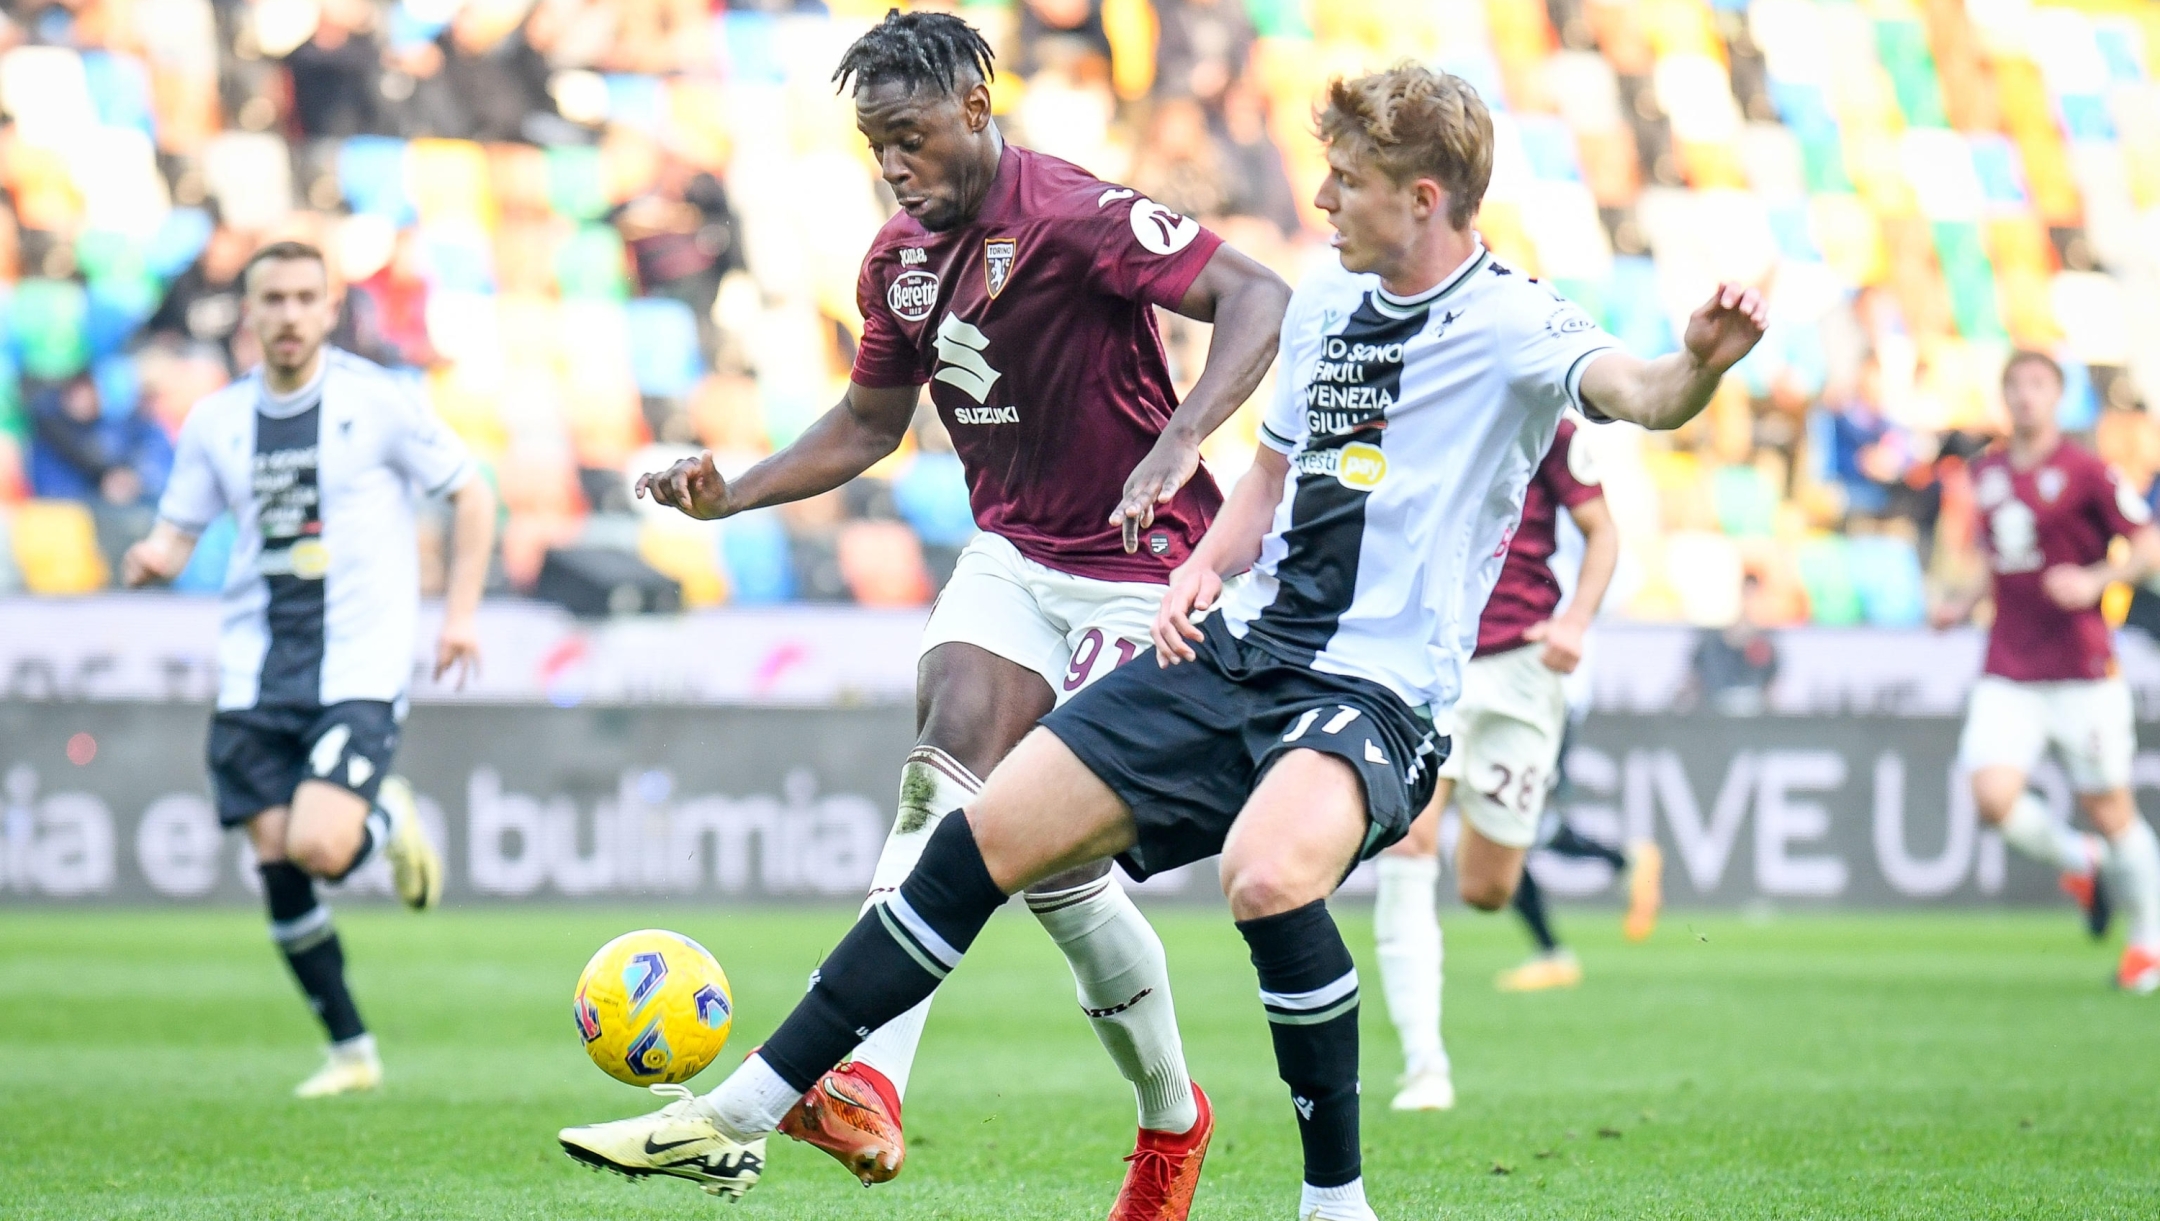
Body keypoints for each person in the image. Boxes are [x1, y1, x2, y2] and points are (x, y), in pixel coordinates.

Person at [558, 63, 1764, 1219]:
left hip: (1377, 687)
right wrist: (1199, 567)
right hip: (1238, 645)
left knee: (1267, 874)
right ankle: (740, 1114)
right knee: (978, 839)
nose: (1323, 197)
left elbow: (1644, 392)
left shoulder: (1515, 323)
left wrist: (1699, 364)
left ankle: (1334, 1200)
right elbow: (1273, 481)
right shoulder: (1333, 299)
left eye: (1344, 177)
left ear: (1424, 197)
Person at [622, 11, 1289, 1216]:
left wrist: (1183, 437)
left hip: (1143, 568)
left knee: (1048, 865)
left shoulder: (1077, 213)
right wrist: (739, 494)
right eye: (877, 144)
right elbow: (870, 426)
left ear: (977, 111)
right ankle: (869, 1083)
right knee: (945, 782)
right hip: (1015, 555)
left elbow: (1257, 293)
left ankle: (1170, 1119)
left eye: (912, 137)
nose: (894, 164)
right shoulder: (898, 260)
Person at [120, 241, 499, 1094]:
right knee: (278, 863)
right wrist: (154, 555)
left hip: (358, 664)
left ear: (329, 310)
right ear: (248, 313)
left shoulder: (380, 401)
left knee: (321, 845)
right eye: (272, 300)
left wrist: (461, 614)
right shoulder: (216, 421)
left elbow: (470, 492)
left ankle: (380, 820)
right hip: (255, 670)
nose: (288, 315)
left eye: (304, 298)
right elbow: (179, 530)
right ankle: (351, 1051)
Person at [1369, 416, 1660, 1110]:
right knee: (1409, 841)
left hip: (1523, 669)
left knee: (1486, 887)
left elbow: (1603, 531)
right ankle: (1424, 1065)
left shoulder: (1553, 430)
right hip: (1426, 661)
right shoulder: (1418, 404)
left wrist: (1576, 620)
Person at [1928, 350, 2160, 994]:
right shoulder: (1990, 472)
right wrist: (1962, 604)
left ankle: (2149, 942)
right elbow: (1996, 557)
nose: (2026, 397)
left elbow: (2147, 545)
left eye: (2038, 385)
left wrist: (2095, 579)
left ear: (2058, 398)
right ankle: (2079, 860)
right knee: (1992, 796)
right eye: (2015, 386)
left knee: (2109, 804)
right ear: (2004, 397)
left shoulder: (2088, 471)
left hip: (2082, 668)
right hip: (2009, 663)